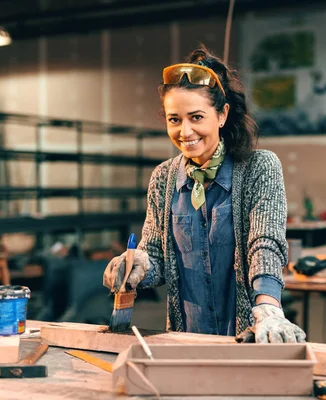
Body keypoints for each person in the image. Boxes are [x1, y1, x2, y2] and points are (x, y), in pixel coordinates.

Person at [103, 46, 306, 343]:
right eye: (174, 120)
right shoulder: (163, 177)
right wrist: (139, 266)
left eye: (196, 117)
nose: (185, 131)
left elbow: (265, 243)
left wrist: (268, 307)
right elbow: (158, 255)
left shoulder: (259, 167)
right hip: (186, 338)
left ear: (222, 115)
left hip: (249, 335)